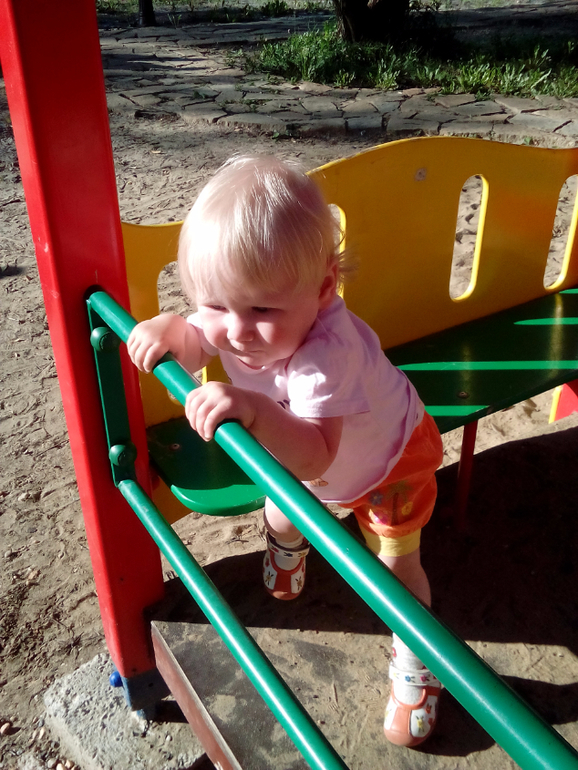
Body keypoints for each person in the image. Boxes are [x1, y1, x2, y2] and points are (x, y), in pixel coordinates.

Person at [127, 155, 444, 748]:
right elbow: (203, 341)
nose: (237, 330)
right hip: (308, 455)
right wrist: (177, 329)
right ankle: (289, 545)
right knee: (281, 502)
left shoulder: (326, 356)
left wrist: (253, 410)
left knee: (395, 572)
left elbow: (314, 457)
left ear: (323, 289)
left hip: (389, 463)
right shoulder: (240, 313)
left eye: (261, 310)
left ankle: (418, 667)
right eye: (215, 305)